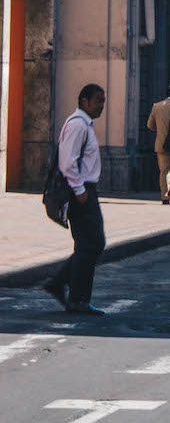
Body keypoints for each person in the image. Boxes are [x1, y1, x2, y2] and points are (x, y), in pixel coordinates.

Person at [43, 84, 108, 315]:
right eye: (97, 101)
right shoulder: (78, 125)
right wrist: (80, 190)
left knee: (90, 244)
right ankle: (76, 298)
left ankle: (60, 284)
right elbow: (67, 161)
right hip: (80, 191)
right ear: (83, 101)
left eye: (103, 101)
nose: (101, 105)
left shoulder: (84, 125)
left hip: (85, 189)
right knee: (91, 243)